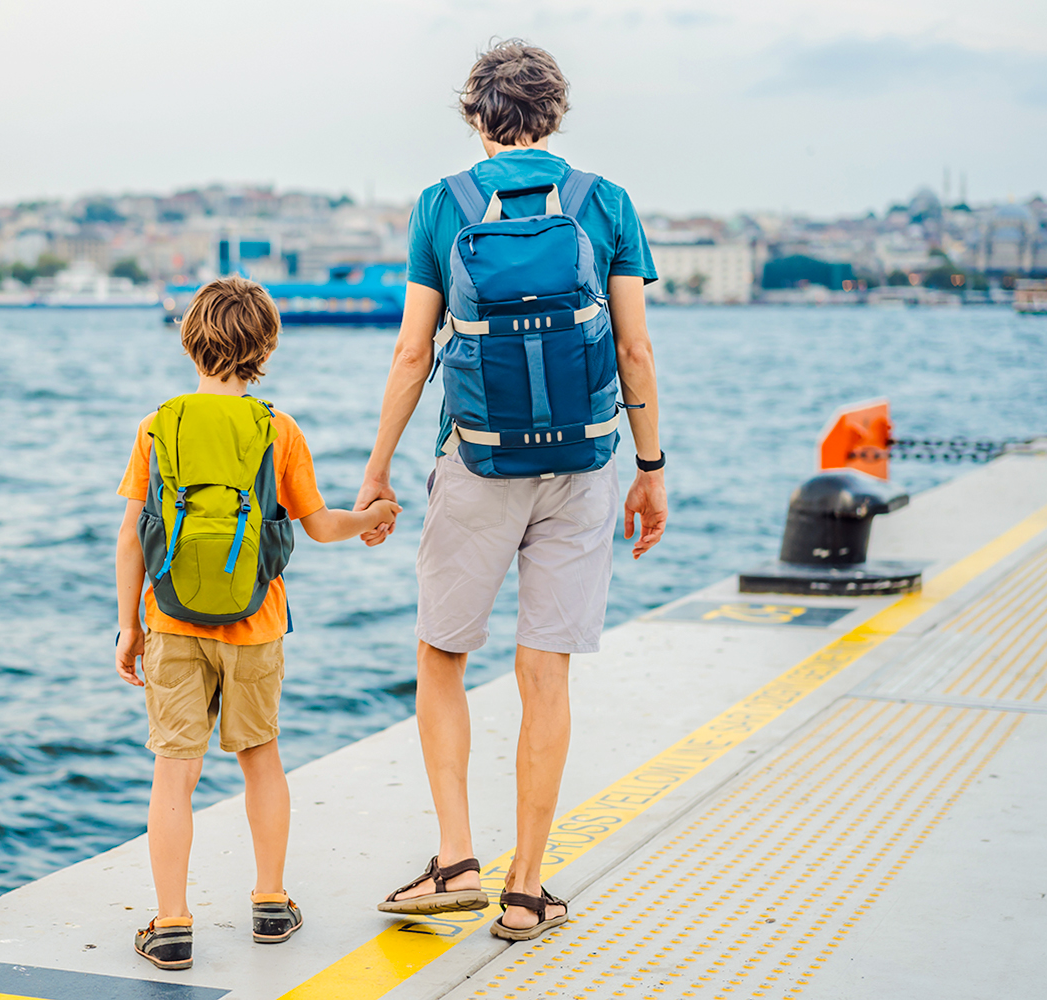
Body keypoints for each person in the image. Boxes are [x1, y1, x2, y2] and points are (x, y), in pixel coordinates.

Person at [356, 40, 668, 940]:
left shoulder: (441, 205)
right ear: (556, 114)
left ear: (474, 114)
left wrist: (377, 470)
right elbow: (635, 349)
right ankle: (527, 891)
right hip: (583, 467)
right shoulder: (605, 201)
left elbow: (413, 352)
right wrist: (649, 469)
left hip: (478, 463)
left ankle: (456, 859)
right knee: (545, 671)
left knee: (442, 656)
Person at [115, 276, 402, 970]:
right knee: (261, 759)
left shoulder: (157, 425)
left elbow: (130, 536)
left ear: (189, 341)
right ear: (265, 348)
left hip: (171, 621)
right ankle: (271, 904)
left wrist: (128, 626)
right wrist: (373, 517)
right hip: (257, 623)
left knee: (174, 772)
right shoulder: (279, 429)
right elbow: (321, 525)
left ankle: (172, 924)